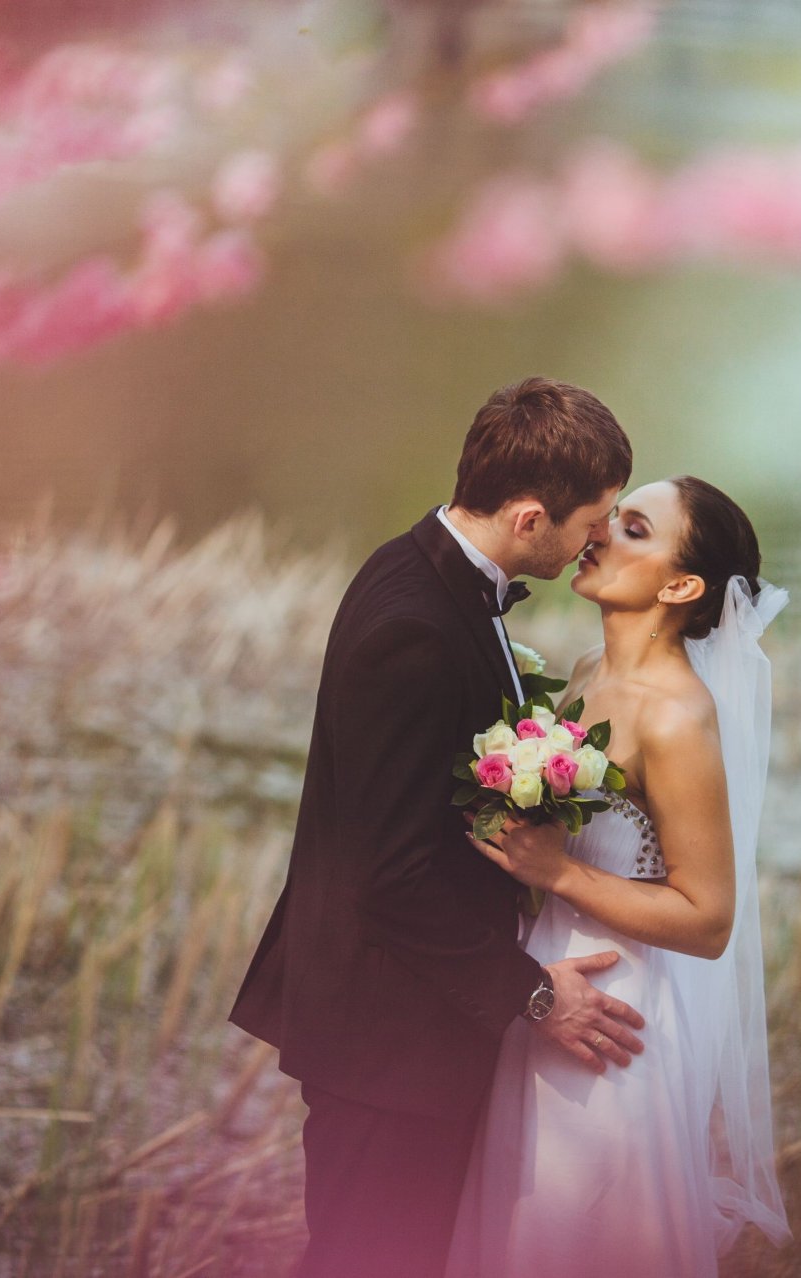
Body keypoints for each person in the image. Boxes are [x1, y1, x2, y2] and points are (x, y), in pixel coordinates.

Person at [228, 377, 650, 1278]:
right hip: (388, 1036)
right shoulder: (415, 628)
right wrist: (536, 993)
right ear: (532, 517)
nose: (600, 538)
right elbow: (392, 874)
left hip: (409, 1022)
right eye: (595, 518)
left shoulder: (421, 568)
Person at [444, 475, 794, 1277]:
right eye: (609, 517)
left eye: (633, 527)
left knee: (577, 1228)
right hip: (542, 983)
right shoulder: (582, 670)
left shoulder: (678, 716)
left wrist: (557, 872)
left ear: (681, 585)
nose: (598, 533)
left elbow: (708, 920)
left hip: (613, 1013)